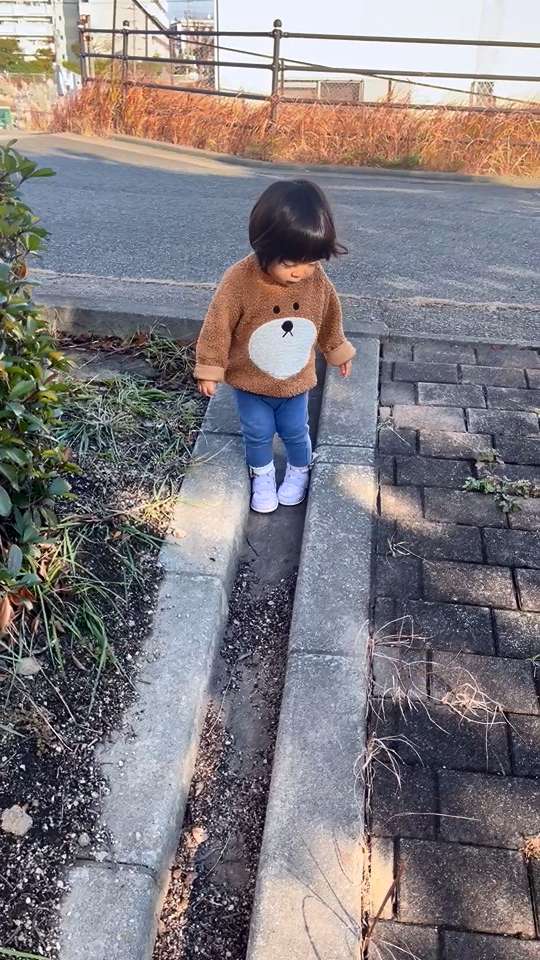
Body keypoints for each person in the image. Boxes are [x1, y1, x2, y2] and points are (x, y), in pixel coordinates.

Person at [195, 178, 356, 514]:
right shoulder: (240, 280)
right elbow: (218, 324)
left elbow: (329, 314)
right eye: (289, 263)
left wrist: (337, 349)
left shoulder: (316, 280)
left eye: (310, 262)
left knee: (296, 431)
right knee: (257, 431)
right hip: (251, 383)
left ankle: (300, 469)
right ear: (264, 246)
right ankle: (263, 475)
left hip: (295, 382)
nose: (300, 273)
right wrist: (210, 366)